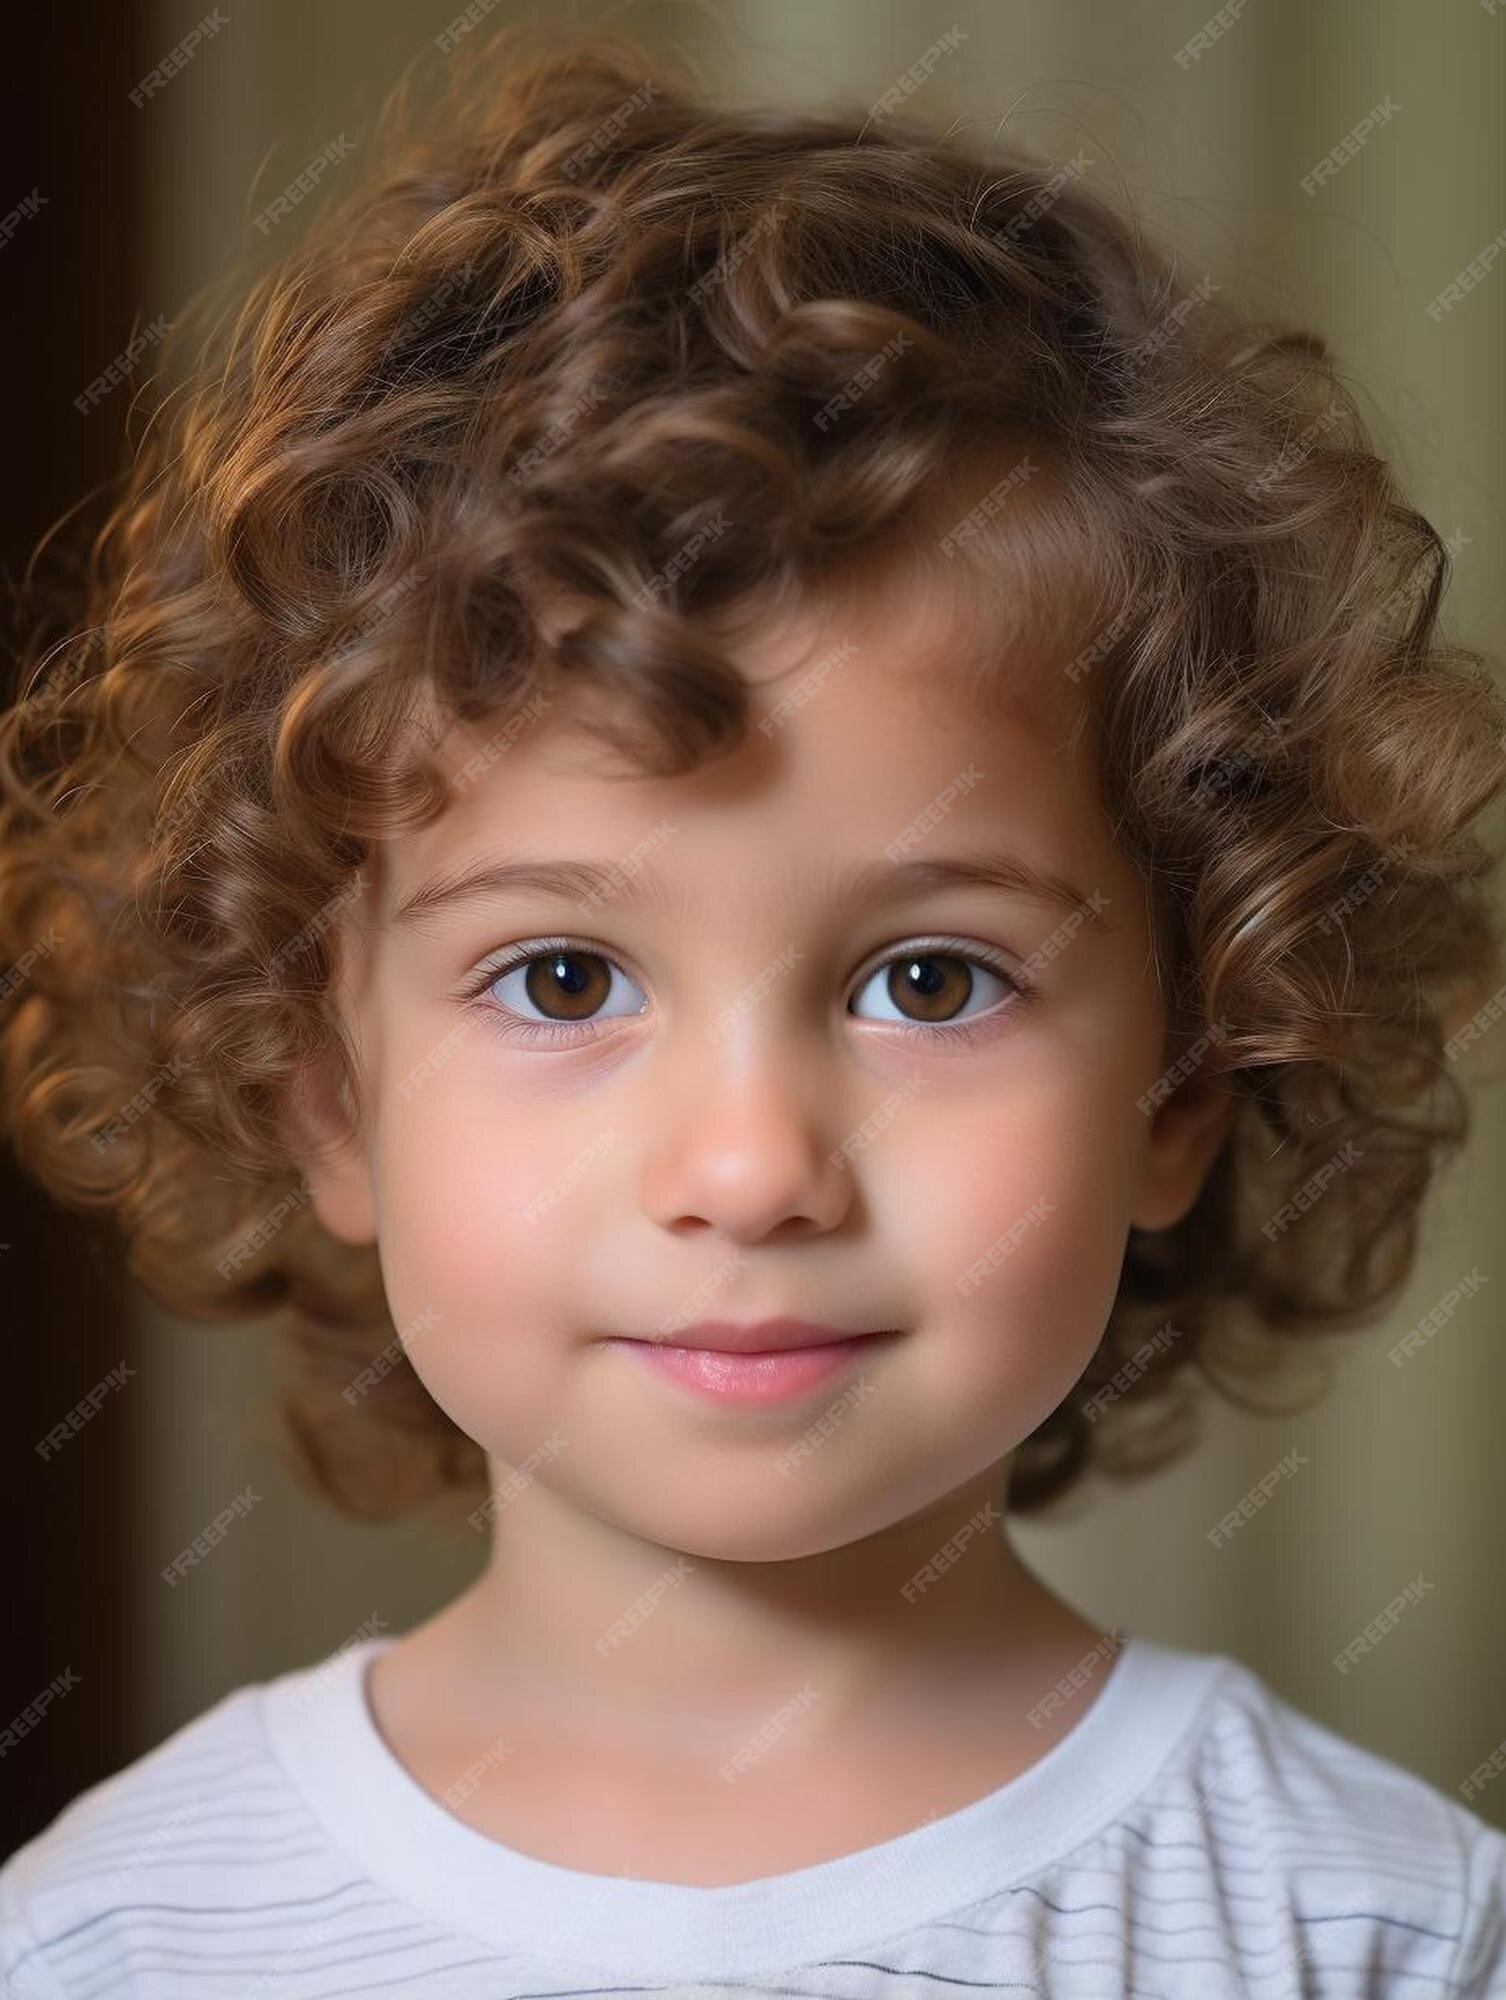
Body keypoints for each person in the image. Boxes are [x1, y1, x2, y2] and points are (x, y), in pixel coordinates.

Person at [3, 26, 1504, 1998]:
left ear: (1187, 1076)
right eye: (564, 977)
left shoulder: (1379, 1929)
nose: (752, 1164)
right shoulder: (114, 1937)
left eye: (929, 978)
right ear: (324, 1091)